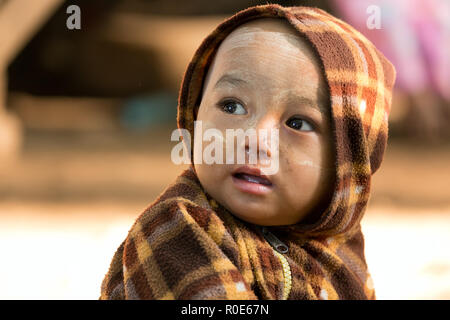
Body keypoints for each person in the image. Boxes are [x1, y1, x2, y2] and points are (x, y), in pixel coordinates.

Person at [100, 4, 395, 300]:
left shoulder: (340, 252)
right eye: (232, 106)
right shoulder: (179, 227)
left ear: (349, 160)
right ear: (196, 113)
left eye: (297, 123)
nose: (255, 139)